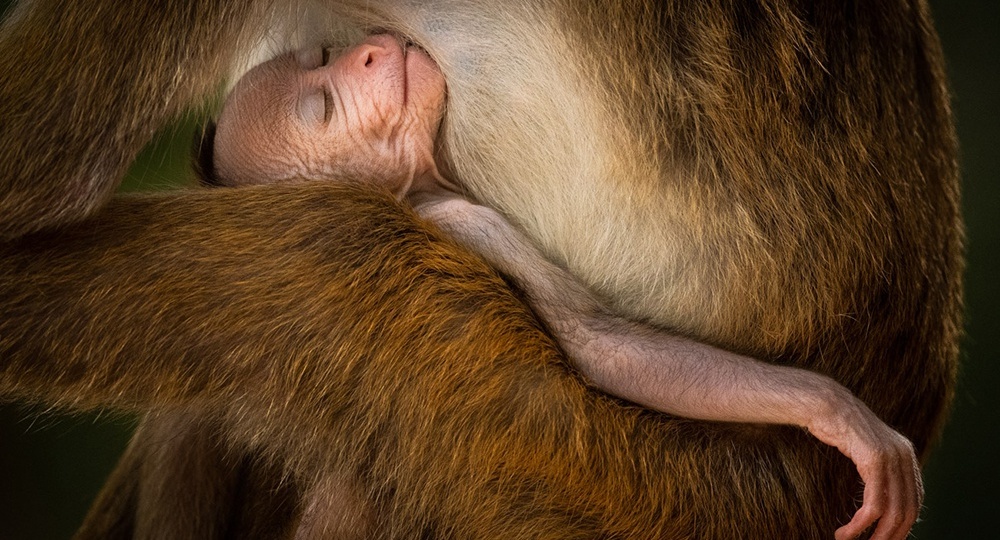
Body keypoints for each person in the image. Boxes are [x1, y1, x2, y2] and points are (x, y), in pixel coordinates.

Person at [198, 33, 919, 526]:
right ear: (347, 209)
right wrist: (819, 404)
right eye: (324, 108)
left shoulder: (451, 206)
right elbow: (600, 348)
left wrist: (821, 402)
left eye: (320, 55)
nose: (360, 57)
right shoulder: (445, 232)